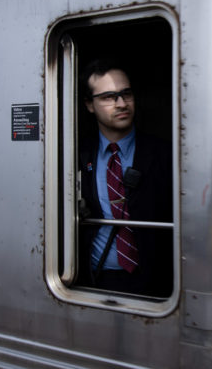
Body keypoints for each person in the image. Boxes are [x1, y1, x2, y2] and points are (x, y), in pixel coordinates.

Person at [77, 59, 173, 297]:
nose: (121, 104)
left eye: (126, 94)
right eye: (109, 97)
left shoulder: (164, 153)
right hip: (96, 280)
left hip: (155, 282)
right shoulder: (77, 155)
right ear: (90, 105)